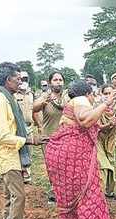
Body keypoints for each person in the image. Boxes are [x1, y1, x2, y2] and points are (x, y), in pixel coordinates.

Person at [45, 80, 116, 219]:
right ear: (88, 93)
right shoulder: (81, 100)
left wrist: (107, 123)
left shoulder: (73, 104)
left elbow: (85, 126)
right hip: (74, 156)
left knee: (69, 194)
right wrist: (106, 103)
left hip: (60, 155)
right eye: (93, 95)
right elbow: (85, 121)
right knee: (89, 195)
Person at [0, 62, 46, 219]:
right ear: (8, 80)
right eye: (18, 79)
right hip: (9, 156)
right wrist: (28, 140)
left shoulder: (9, 98)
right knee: (18, 196)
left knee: (10, 197)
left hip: (14, 155)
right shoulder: (1, 102)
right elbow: (3, 136)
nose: (20, 82)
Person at [33, 71, 68, 203]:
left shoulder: (67, 97)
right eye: (55, 79)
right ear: (49, 83)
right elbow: (34, 109)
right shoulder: (44, 96)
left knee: (65, 164)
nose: (58, 82)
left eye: (60, 79)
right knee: (52, 166)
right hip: (48, 137)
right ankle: (54, 191)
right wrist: (43, 103)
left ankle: (64, 190)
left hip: (65, 136)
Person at [97, 84, 116, 200]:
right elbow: (96, 127)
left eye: (110, 93)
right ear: (101, 94)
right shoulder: (96, 108)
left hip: (110, 141)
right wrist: (109, 124)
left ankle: (109, 192)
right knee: (104, 166)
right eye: (105, 93)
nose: (108, 96)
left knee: (111, 164)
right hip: (98, 141)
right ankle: (98, 197)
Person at [14, 71, 35, 184]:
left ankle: (27, 174)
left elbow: (34, 110)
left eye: (26, 79)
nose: (23, 81)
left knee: (28, 151)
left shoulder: (31, 94)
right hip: (17, 127)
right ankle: (18, 174)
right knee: (17, 150)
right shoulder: (13, 94)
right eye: (21, 79)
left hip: (29, 127)